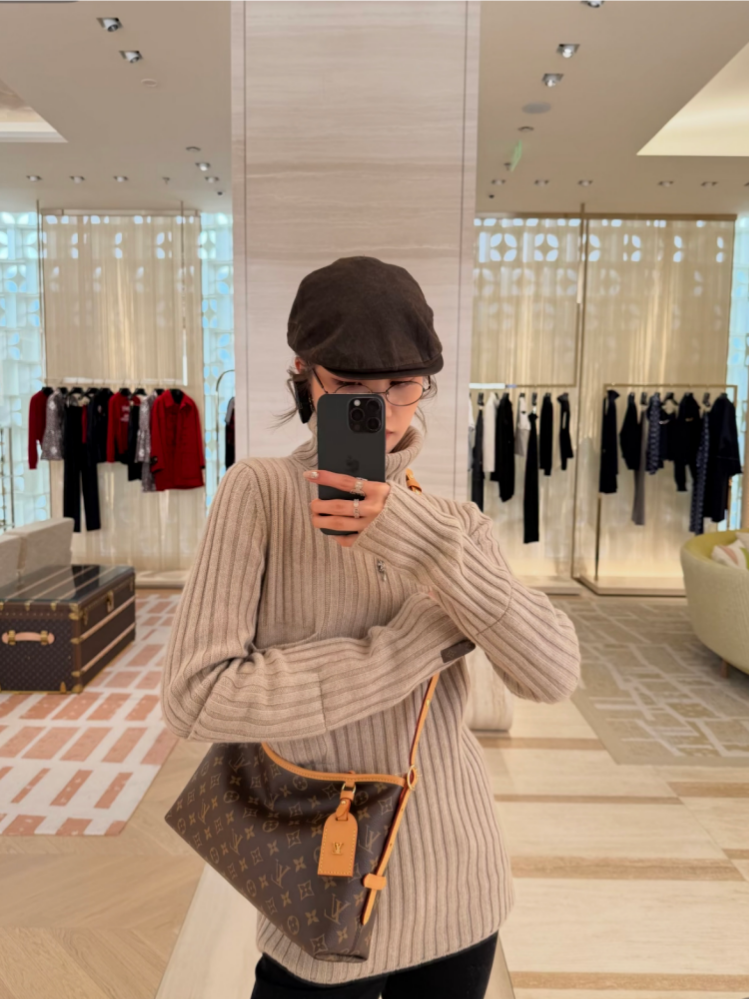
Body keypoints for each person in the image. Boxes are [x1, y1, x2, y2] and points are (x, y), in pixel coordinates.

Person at [162, 257, 581, 1000]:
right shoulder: (258, 494)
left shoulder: (454, 525)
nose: (384, 412)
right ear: (304, 375)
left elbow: (553, 674)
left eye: (403, 386)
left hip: (461, 882)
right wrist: (416, 644)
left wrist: (420, 541)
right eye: (353, 386)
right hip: (320, 881)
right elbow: (196, 697)